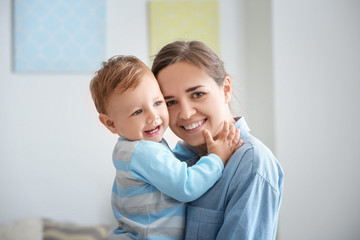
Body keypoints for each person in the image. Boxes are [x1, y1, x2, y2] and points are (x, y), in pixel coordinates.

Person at [89, 55, 242, 239]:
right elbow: (186, 186)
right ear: (111, 124)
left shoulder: (131, 149)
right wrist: (217, 157)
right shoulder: (142, 151)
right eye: (138, 111)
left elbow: (169, 165)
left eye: (158, 103)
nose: (153, 116)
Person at [152, 40, 284, 240]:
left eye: (198, 94)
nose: (186, 114)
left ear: (226, 89)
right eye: (170, 102)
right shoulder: (175, 161)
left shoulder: (251, 163)